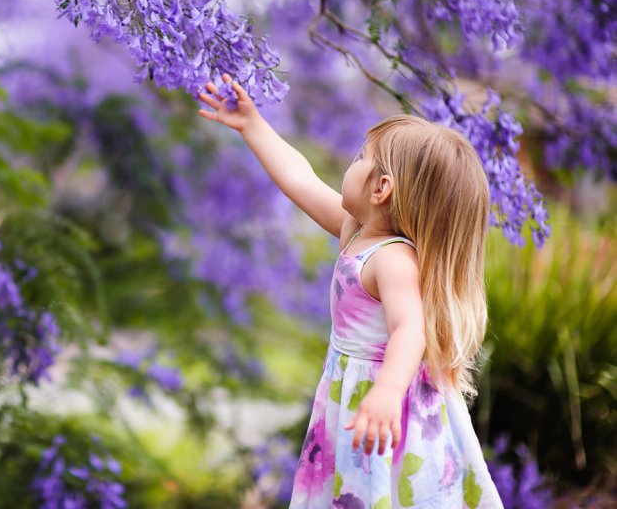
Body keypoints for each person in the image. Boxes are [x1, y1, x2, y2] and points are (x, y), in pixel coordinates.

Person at [197, 74, 503, 508]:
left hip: (388, 408)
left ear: (382, 189)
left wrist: (387, 391)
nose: (351, 160)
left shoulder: (393, 260)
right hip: (355, 397)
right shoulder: (357, 233)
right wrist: (253, 125)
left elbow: (410, 328)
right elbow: (299, 179)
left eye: (363, 156)